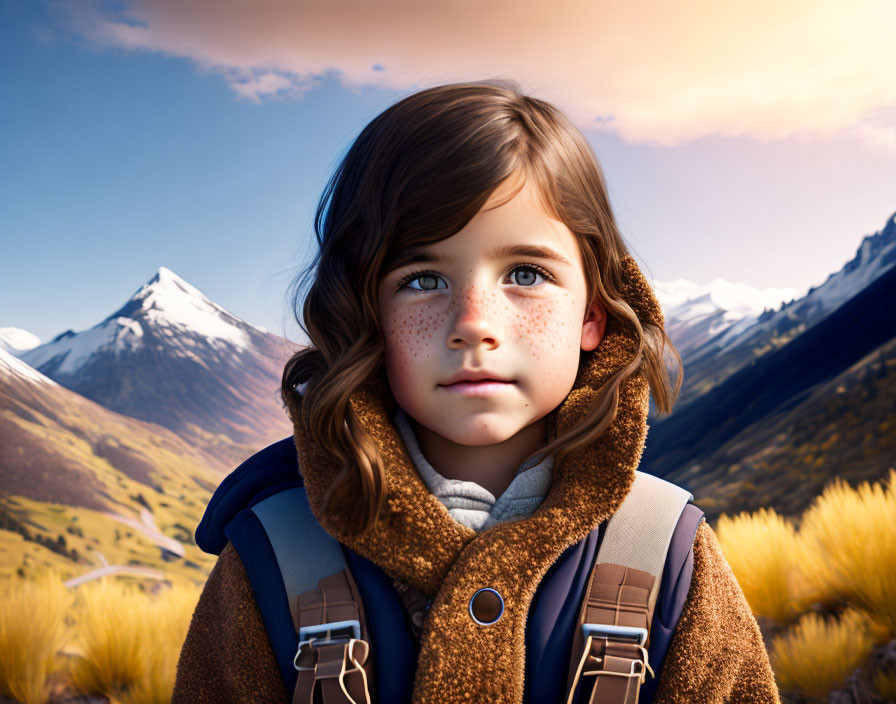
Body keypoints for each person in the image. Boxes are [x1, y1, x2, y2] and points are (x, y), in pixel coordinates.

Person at [173, 79, 781, 703]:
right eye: (422, 279)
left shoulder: (667, 556)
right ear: (365, 315)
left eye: (526, 274)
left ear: (593, 312)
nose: (473, 324)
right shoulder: (275, 560)